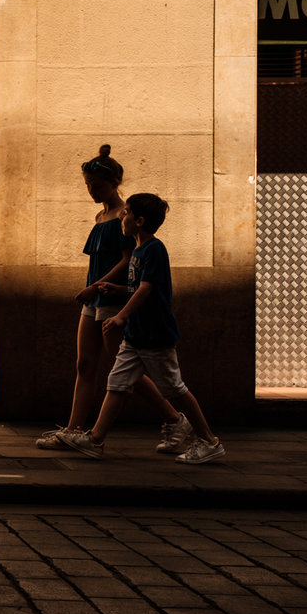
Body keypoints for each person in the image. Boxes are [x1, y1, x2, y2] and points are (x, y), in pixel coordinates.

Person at [35, 145, 193, 454]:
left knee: (125, 369)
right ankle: (73, 429)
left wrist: (97, 286)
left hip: (108, 296)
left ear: (114, 183)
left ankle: (174, 418)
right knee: (85, 364)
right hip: (94, 296)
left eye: (98, 186)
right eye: (88, 185)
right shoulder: (100, 216)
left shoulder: (126, 216)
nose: (92, 190)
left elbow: (127, 259)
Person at [57, 194, 225, 464]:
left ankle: (209, 441)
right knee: (117, 382)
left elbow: (148, 289)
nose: (121, 218)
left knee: (175, 388)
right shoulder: (138, 250)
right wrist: (118, 289)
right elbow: (140, 287)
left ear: (139, 220)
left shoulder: (154, 249)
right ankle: (95, 440)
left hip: (154, 334)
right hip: (137, 336)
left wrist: (121, 316)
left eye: (126, 213)